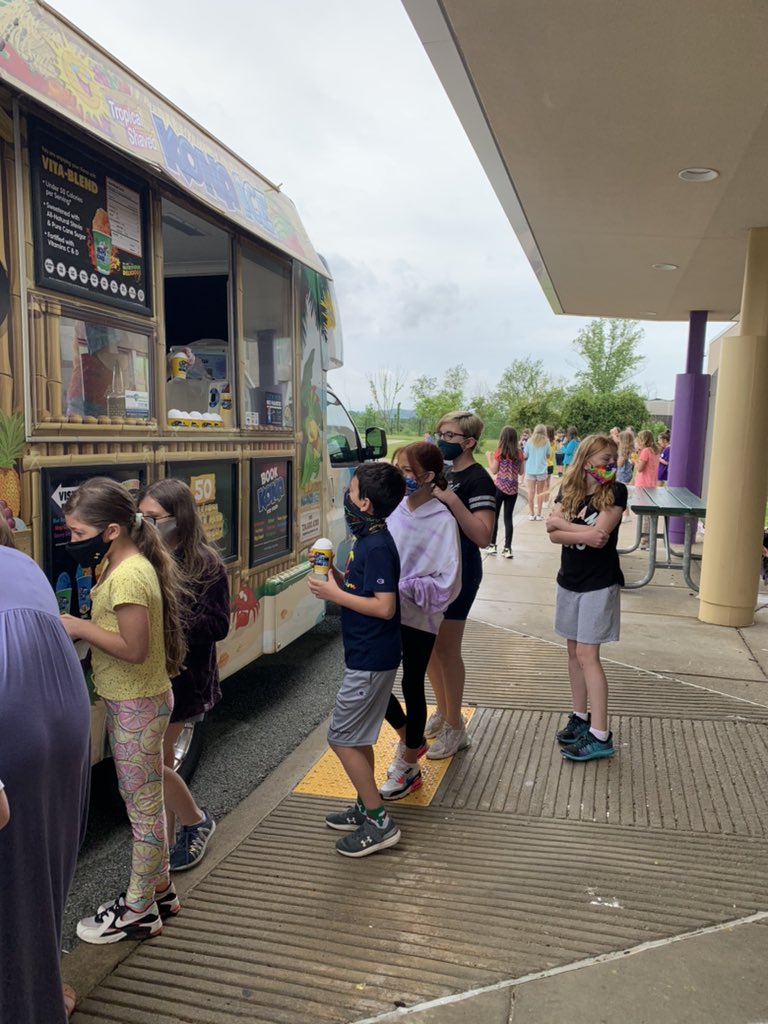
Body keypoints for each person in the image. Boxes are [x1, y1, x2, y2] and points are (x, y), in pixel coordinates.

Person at [60, 476, 188, 942]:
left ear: (111, 530)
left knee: (142, 810)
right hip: (137, 700)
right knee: (146, 800)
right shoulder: (123, 563)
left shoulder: (130, 573)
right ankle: (163, 891)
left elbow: (133, 648)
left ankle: (137, 910)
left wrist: (78, 625)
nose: (73, 542)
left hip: (136, 703)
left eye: (77, 533)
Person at [0, 544, 91, 1023]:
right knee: (38, 877)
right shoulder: (25, 565)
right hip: (66, 720)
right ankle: (45, 989)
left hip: (14, 729)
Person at [308, 462, 406, 856]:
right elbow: (361, 589)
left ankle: (381, 823)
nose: (345, 498)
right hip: (366, 655)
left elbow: (384, 607)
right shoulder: (367, 540)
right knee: (360, 735)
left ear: (364, 503)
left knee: (342, 738)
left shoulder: (378, 545)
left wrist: (335, 596)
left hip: (371, 658)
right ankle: (367, 806)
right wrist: (333, 574)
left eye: (349, 493)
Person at [138, 479, 230, 871]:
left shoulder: (205, 563)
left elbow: (219, 625)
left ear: (179, 518)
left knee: (153, 764)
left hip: (186, 681)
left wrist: (169, 614)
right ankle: (172, 839)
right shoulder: (143, 555)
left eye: (153, 517)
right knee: (162, 764)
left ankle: (196, 822)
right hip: (152, 677)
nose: (145, 523)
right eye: (139, 515)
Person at [381, 443, 461, 798]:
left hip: (418, 618)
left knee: (411, 683)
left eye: (407, 471)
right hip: (383, 611)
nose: (401, 477)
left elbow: (448, 581)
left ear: (429, 477)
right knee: (376, 683)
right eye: (397, 469)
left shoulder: (443, 521)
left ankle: (409, 761)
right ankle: (408, 737)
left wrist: (406, 588)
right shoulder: (393, 509)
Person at [545, 434, 626, 762]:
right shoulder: (570, 490)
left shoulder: (615, 492)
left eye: (612, 458)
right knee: (572, 653)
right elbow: (552, 534)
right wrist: (574, 529)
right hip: (569, 581)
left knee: (588, 655)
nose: (609, 463)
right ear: (586, 458)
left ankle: (600, 734)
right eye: (603, 457)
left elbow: (600, 537)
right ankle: (580, 716)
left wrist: (563, 524)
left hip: (598, 584)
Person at [425, 410, 495, 758]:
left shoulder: (478, 480)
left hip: (461, 573)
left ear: (469, 442)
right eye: (439, 433)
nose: (441, 440)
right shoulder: (445, 473)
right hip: (433, 572)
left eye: (449, 436)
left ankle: (456, 728)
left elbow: (484, 536)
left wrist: (450, 499)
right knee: (429, 651)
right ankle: (442, 710)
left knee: (447, 651)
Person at [485, 425, 524, 557]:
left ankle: (492, 545)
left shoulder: (499, 452)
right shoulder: (519, 454)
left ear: (502, 437)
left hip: (500, 487)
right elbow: (521, 472)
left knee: (495, 517)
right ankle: (507, 548)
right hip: (513, 489)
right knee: (508, 518)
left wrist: (489, 458)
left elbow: (494, 470)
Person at [634, 430, 660, 549]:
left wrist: (635, 460)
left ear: (642, 439)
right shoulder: (654, 451)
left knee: (644, 514)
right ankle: (648, 538)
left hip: (643, 484)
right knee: (649, 514)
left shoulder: (645, 451)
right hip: (652, 484)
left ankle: (644, 540)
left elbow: (640, 468)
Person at [523, 423, 550, 520]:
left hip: (530, 469)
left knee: (531, 491)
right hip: (541, 470)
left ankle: (531, 514)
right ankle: (539, 514)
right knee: (540, 492)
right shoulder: (546, 442)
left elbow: (525, 455)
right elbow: (548, 455)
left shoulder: (529, 441)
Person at [616, 429, 636, 521]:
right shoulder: (632, 451)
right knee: (625, 494)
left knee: (621, 494)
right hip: (628, 474)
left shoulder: (622, 452)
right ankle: (626, 514)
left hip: (621, 475)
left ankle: (625, 514)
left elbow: (619, 463)